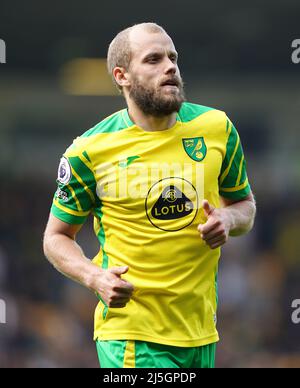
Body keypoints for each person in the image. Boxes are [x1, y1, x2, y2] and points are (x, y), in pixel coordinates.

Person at [43, 22, 256, 368]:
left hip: (200, 334)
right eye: (153, 59)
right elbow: (55, 237)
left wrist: (228, 218)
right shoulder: (89, 151)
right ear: (122, 76)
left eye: (173, 57)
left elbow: (244, 206)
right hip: (132, 336)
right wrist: (94, 277)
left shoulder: (218, 128)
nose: (170, 66)